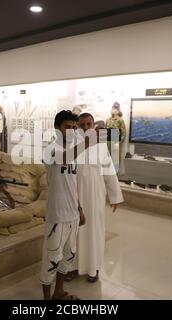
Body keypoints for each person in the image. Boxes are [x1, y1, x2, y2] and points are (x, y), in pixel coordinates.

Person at [65, 113, 124, 283]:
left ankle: (93, 269)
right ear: (77, 126)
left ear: (93, 126)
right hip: (74, 197)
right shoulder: (71, 146)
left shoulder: (101, 147)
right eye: (82, 125)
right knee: (73, 233)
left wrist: (115, 197)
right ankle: (72, 267)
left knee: (94, 232)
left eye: (88, 124)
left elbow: (109, 173)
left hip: (96, 197)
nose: (85, 128)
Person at [39, 110, 92, 300]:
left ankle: (58, 292)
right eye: (67, 127)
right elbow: (64, 158)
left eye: (73, 127)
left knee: (68, 257)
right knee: (51, 259)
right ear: (57, 129)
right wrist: (86, 143)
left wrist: (80, 209)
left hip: (73, 214)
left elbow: (73, 184)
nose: (71, 131)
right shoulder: (50, 149)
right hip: (57, 216)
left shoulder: (74, 152)